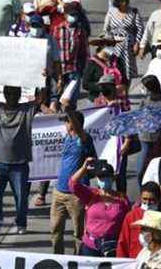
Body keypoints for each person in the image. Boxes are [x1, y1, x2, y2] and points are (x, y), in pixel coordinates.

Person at [0, 86, 38, 236]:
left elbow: (40, 98)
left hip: (20, 164)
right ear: (4, 94)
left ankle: (21, 222)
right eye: (8, 93)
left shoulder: (26, 110)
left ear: (20, 94)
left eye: (15, 93)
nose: (12, 96)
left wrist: (42, 78)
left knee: (21, 198)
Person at [49, 108, 94, 253]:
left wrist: (69, 111)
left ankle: (76, 261)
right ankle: (58, 259)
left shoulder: (83, 139)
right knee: (55, 230)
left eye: (68, 122)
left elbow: (79, 130)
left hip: (76, 194)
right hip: (59, 192)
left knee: (79, 233)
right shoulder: (67, 138)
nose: (66, 125)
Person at [68, 157, 130, 257]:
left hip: (113, 246)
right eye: (101, 178)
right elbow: (72, 184)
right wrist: (84, 167)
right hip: (90, 246)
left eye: (107, 177)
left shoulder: (122, 199)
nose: (104, 180)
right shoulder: (90, 194)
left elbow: (127, 222)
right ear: (97, 180)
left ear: (113, 178)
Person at [103, 0, 144, 85]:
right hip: (114, 46)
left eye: (123, 0)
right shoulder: (111, 12)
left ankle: (125, 91)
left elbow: (140, 29)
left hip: (128, 47)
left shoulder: (134, 12)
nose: (123, 3)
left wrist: (137, 43)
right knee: (114, 69)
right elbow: (106, 29)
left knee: (127, 72)